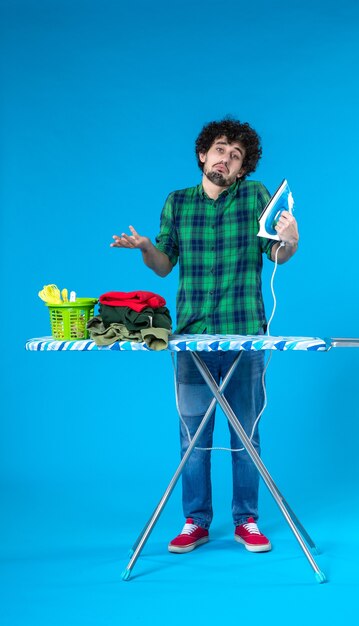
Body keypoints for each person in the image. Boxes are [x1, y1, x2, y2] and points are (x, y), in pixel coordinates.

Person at [111, 118, 299, 554]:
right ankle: (195, 521)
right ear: (203, 154)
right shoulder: (177, 204)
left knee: (245, 434)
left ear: (242, 167)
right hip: (192, 340)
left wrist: (291, 240)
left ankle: (246, 521)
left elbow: (278, 254)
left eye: (236, 156)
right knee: (192, 435)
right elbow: (163, 265)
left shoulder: (256, 197)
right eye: (220, 149)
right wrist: (145, 248)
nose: (226, 159)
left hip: (245, 338)